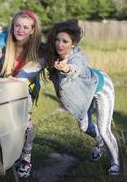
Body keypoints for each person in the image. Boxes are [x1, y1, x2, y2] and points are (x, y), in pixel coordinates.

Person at [44, 20, 120, 175]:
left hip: (100, 87)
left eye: (65, 41)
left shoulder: (78, 56)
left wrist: (66, 68)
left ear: (73, 44)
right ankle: (99, 142)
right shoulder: (53, 54)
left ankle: (115, 164)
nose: (60, 44)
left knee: (105, 130)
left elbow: (75, 68)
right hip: (83, 94)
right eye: (58, 40)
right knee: (84, 127)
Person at [0, 10, 43, 178]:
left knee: (26, 124)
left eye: (25, 27)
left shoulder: (37, 47)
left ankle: (26, 156)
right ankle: (7, 153)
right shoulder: (3, 39)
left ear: (32, 30)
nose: (20, 30)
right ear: (12, 26)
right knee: (0, 122)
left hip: (24, 88)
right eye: (17, 26)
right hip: (3, 85)